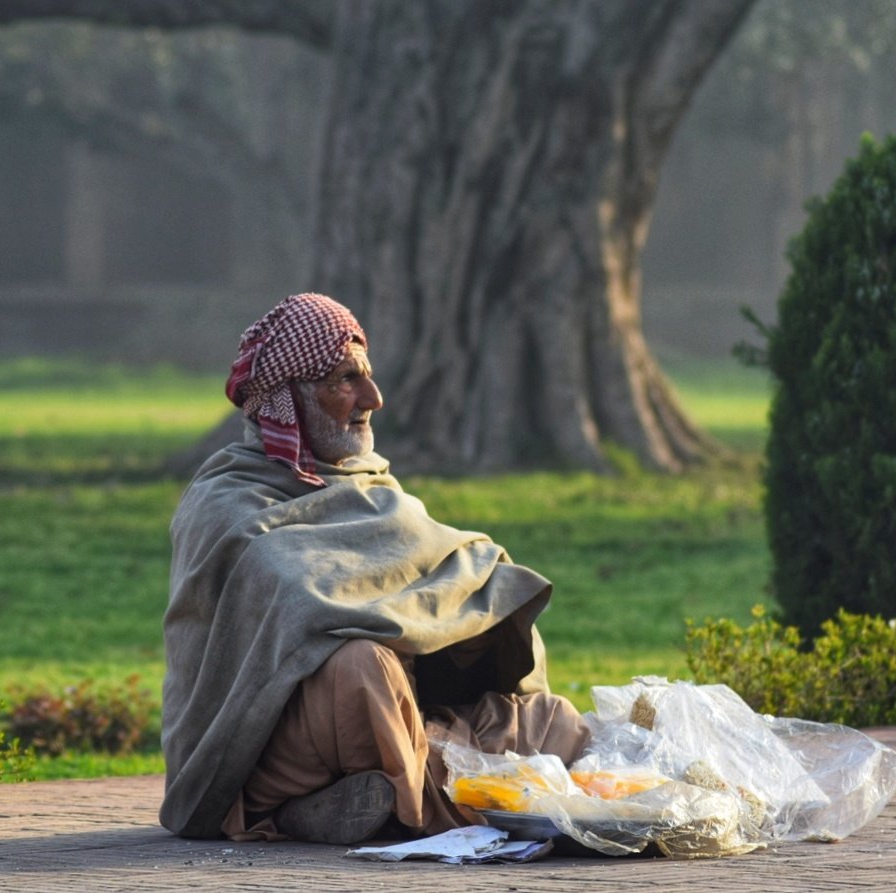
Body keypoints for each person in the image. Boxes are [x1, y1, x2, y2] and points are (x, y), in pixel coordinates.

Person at [160, 293, 590, 843]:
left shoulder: (373, 488)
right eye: (346, 379)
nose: (373, 398)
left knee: (552, 719)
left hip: (392, 721)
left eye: (369, 375)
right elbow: (303, 603)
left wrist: (468, 607)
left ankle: (377, 793)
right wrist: (401, 617)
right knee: (361, 667)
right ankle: (348, 801)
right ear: (291, 399)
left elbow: (463, 568)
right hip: (271, 749)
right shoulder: (226, 505)